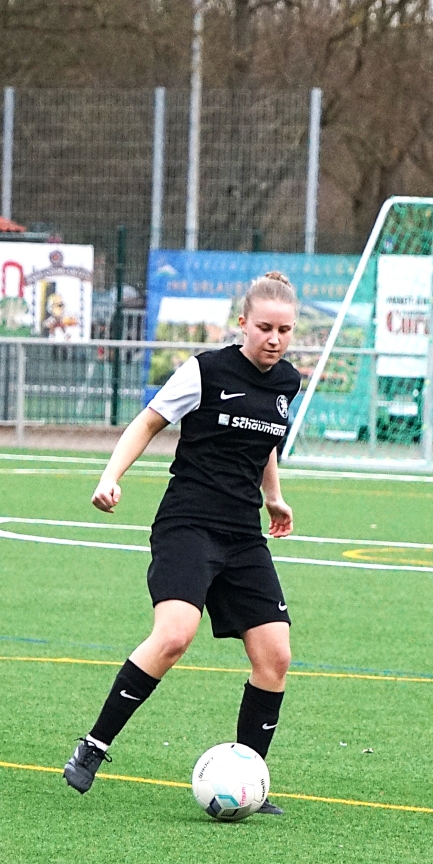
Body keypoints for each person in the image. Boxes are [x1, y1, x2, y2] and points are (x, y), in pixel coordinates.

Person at [63, 271, 300, 808]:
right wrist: (110, 476)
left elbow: (265, 442)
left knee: (276, 656)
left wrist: (274, 497)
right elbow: (147, 423)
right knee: (174, 635)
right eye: (265, 328)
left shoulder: (287, 381)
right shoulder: (204, 371)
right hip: (188, 524)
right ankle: (94, 746)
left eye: (285, 330)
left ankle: (250, 778)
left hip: (243, 534)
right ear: (243, 323)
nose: (274, 339)